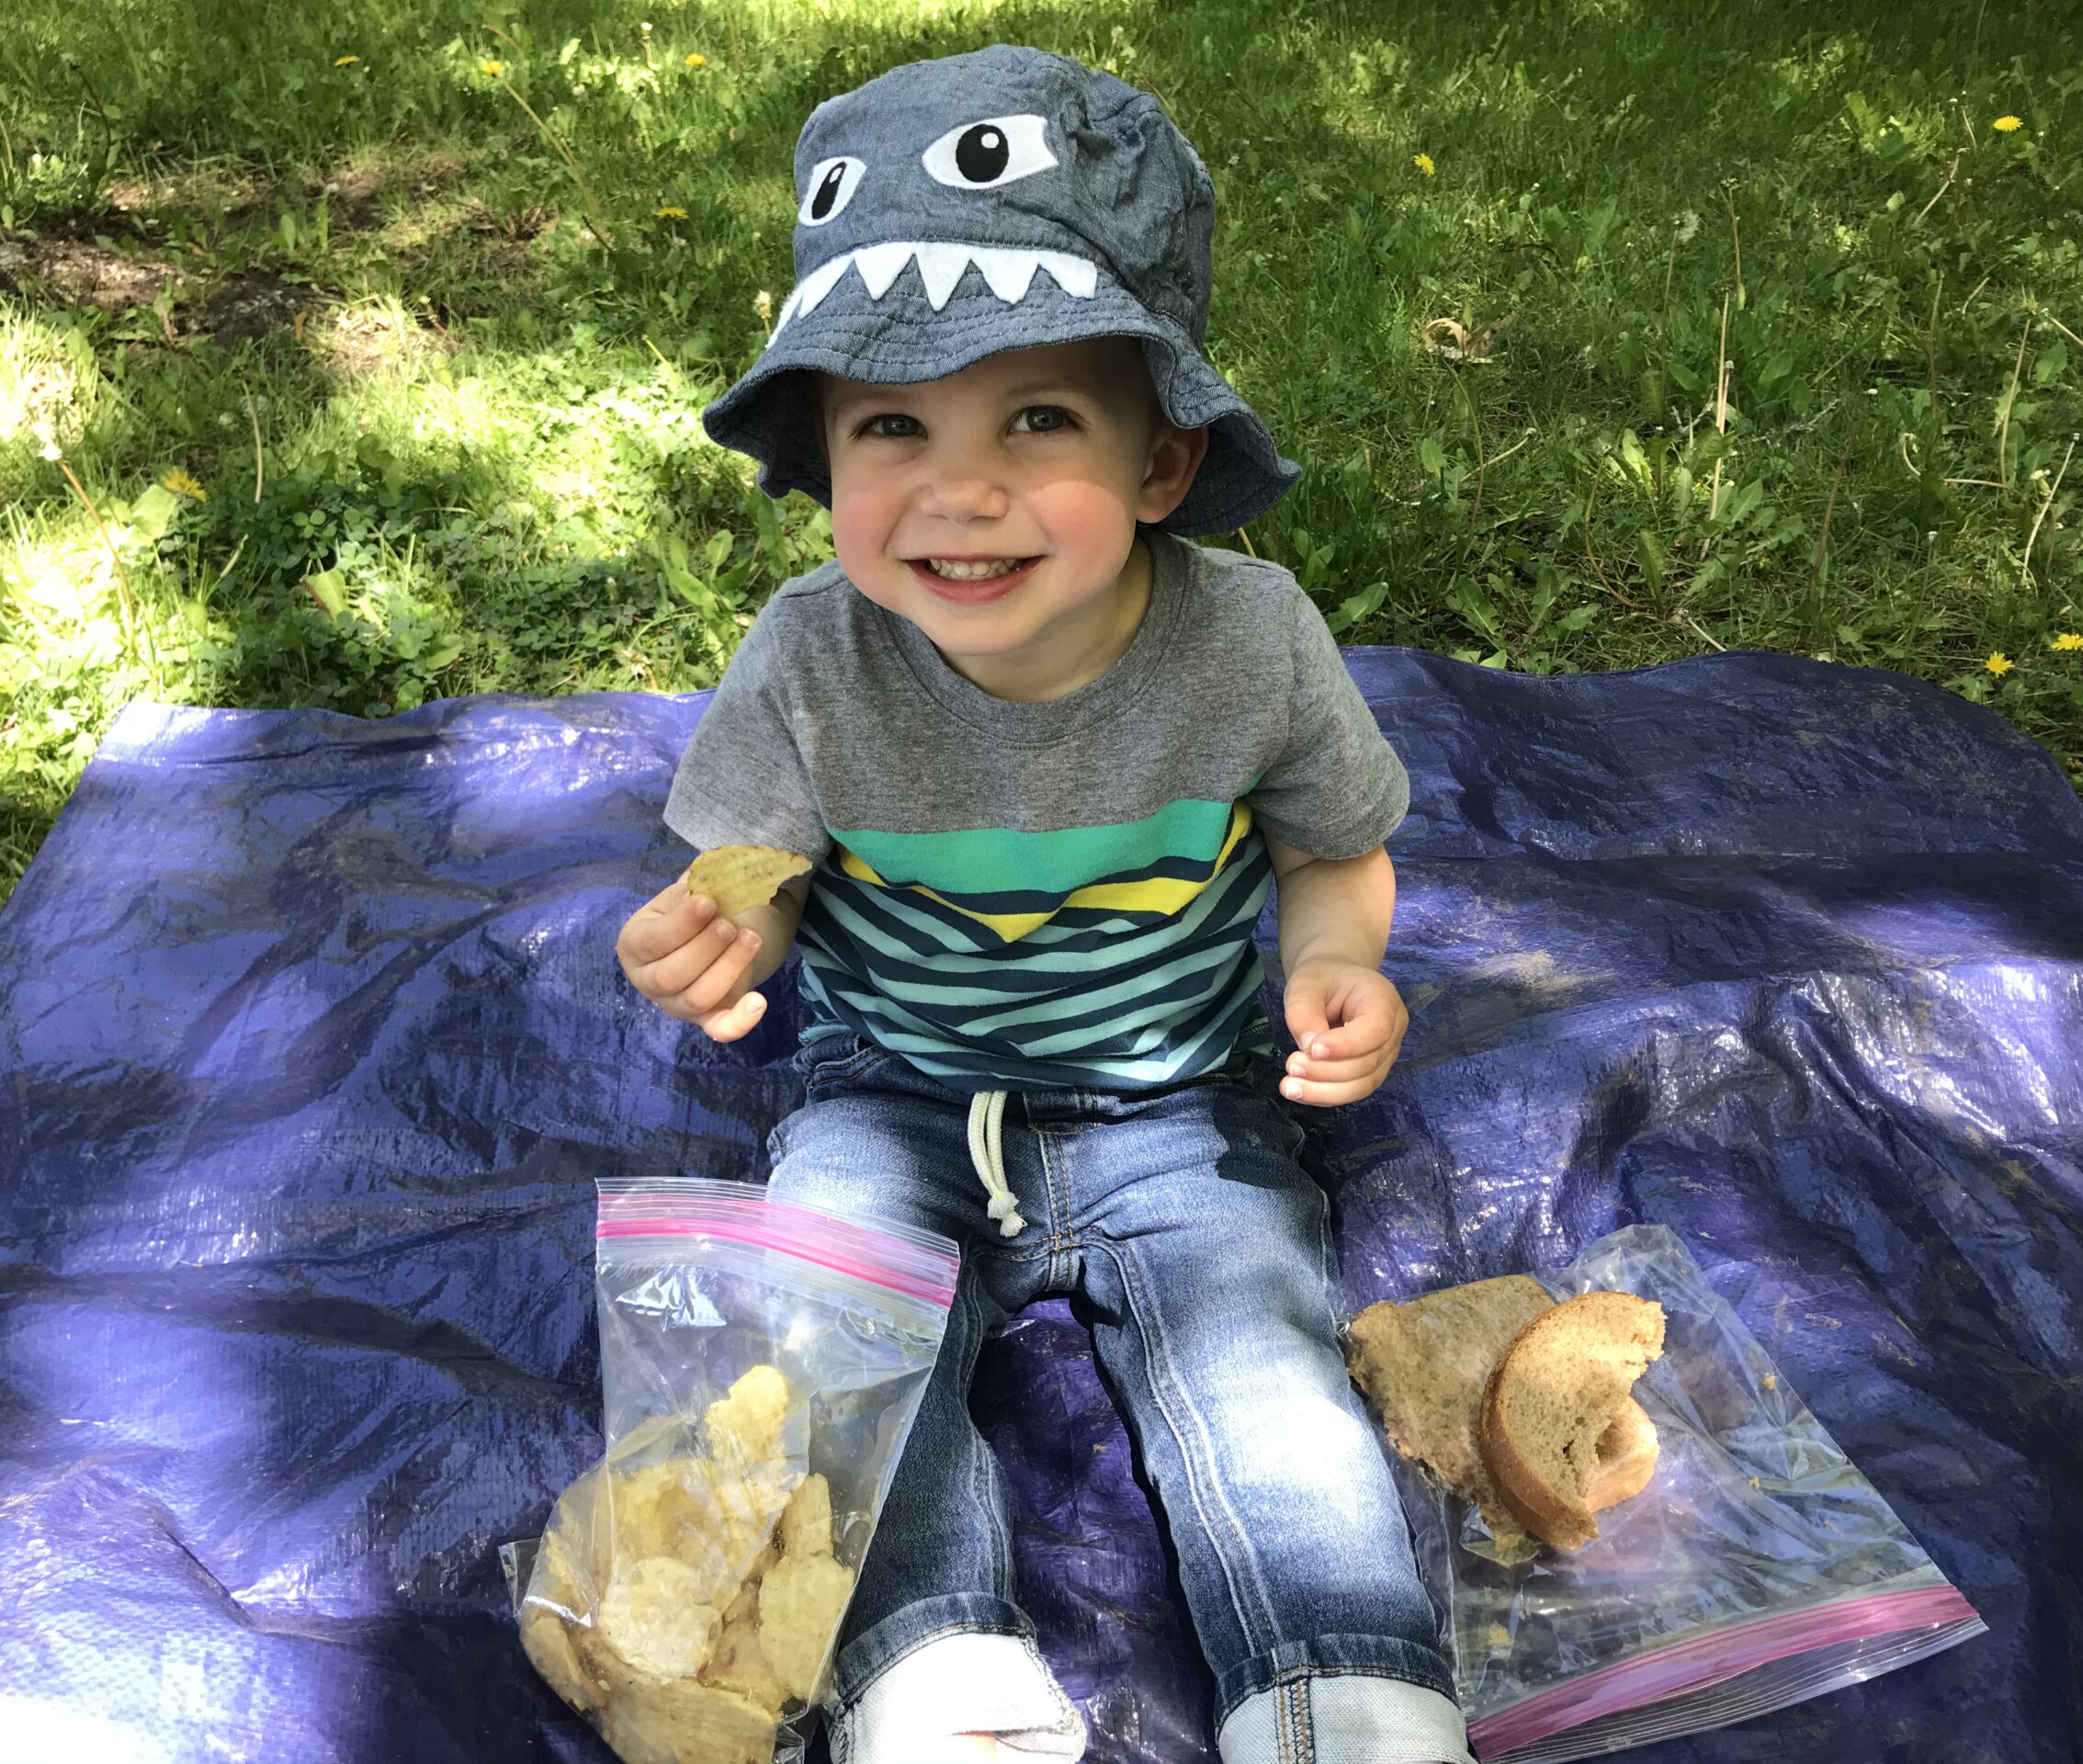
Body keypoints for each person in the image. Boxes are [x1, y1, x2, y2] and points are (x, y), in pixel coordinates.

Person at [616, 44, 1471, 1764]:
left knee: (1263, 1365)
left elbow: (1331, 848)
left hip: (1180, 1092)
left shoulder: (1253, 645)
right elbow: (755, 885)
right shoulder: (810, 657)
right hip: (895, 1090)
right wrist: (721, 945)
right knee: (835, 1342)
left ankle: (1344, 1689)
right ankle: (932, 1672)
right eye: (891, 427)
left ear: (1163, 463)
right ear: (825, 455)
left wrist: (1339, 964)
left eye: (1037, 419)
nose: (959, 487)